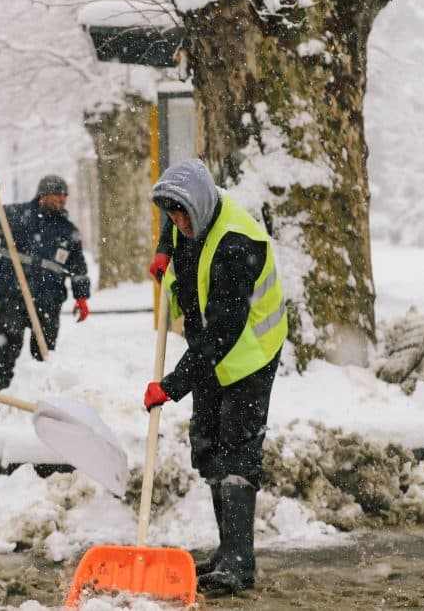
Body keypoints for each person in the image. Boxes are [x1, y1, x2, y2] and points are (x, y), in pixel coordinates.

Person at [143, 159, 287, 595]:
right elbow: (174, 220)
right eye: (173, 215)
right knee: (207, 443)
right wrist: (164, 248)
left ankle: (239, 564)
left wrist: (172, 385)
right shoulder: (189, 215)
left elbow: (224, 329)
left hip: (249, 352)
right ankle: (226, 552)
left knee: (238, 451)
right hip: (210, 347)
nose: (179, 223)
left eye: (184, 215)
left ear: (201, 205)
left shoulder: (236, 242)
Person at [0, 175, 90, 420]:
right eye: (56, 194)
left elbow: (78, 266)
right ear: (42, 195)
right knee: (5, 357)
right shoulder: (17, 216)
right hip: (14, 298)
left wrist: (82, 297)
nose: (61, 199)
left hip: (49, 302)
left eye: (64, 195)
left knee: (44, 359)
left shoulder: (68, 231)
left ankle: (42, 411)